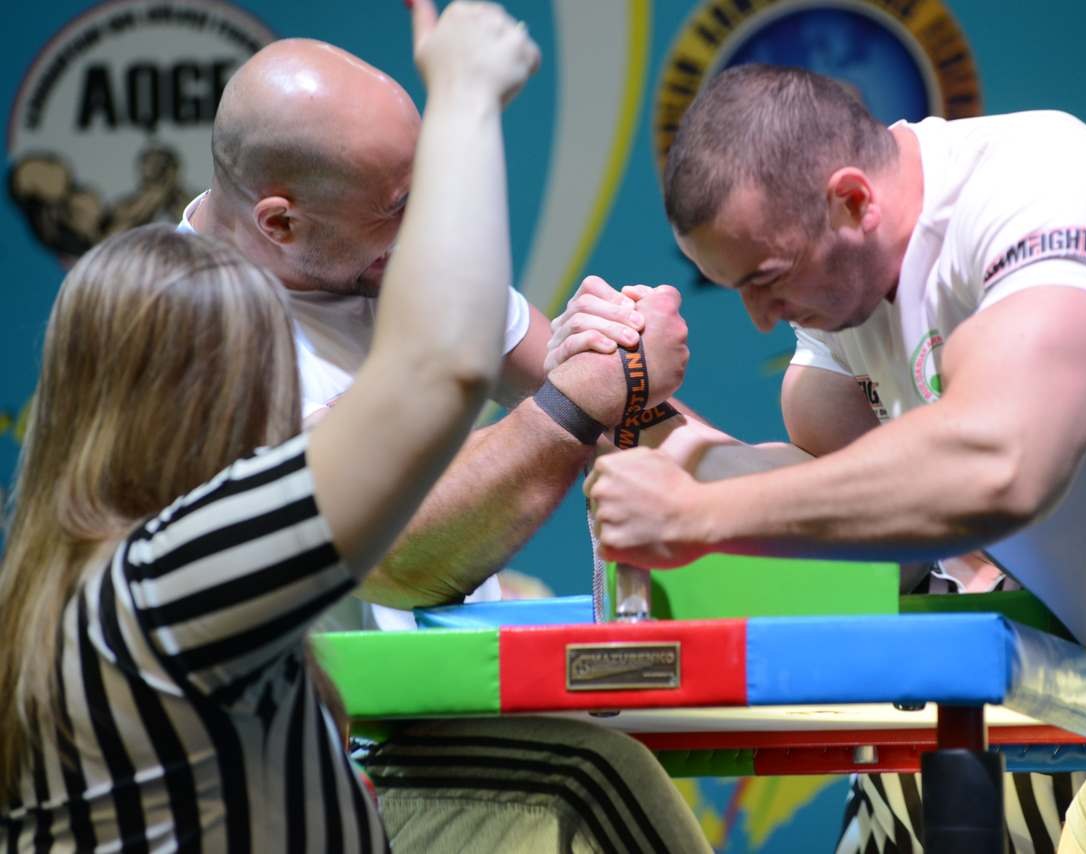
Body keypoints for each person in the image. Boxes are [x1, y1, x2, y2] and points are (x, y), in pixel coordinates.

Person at [0, 6, 708, 853]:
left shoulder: (96, 591)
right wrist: (466, 96)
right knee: (583, 777)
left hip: (375, 766)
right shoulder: (182, 571)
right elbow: (429, 418)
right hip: (385, 758)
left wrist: (745, 478)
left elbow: (619, 409)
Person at [579, 64, 1086, 850]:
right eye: (734, 288)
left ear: (852, 200)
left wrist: (696, 512)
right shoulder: (844, 288)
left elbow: (1000, 462)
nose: (758, 319)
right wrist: (643, 416)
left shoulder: (1042, 187)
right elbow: (849, 504)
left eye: (767, 281)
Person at [182, 25, 690, 631]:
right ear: (281, 223)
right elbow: (402, 557)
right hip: (333, 721)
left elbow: (644, 424)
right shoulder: (185, 329)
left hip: (452, 695)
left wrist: (780, 497)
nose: (426, 219)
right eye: (397, 204)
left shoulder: (394, 257)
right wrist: (590, 392)